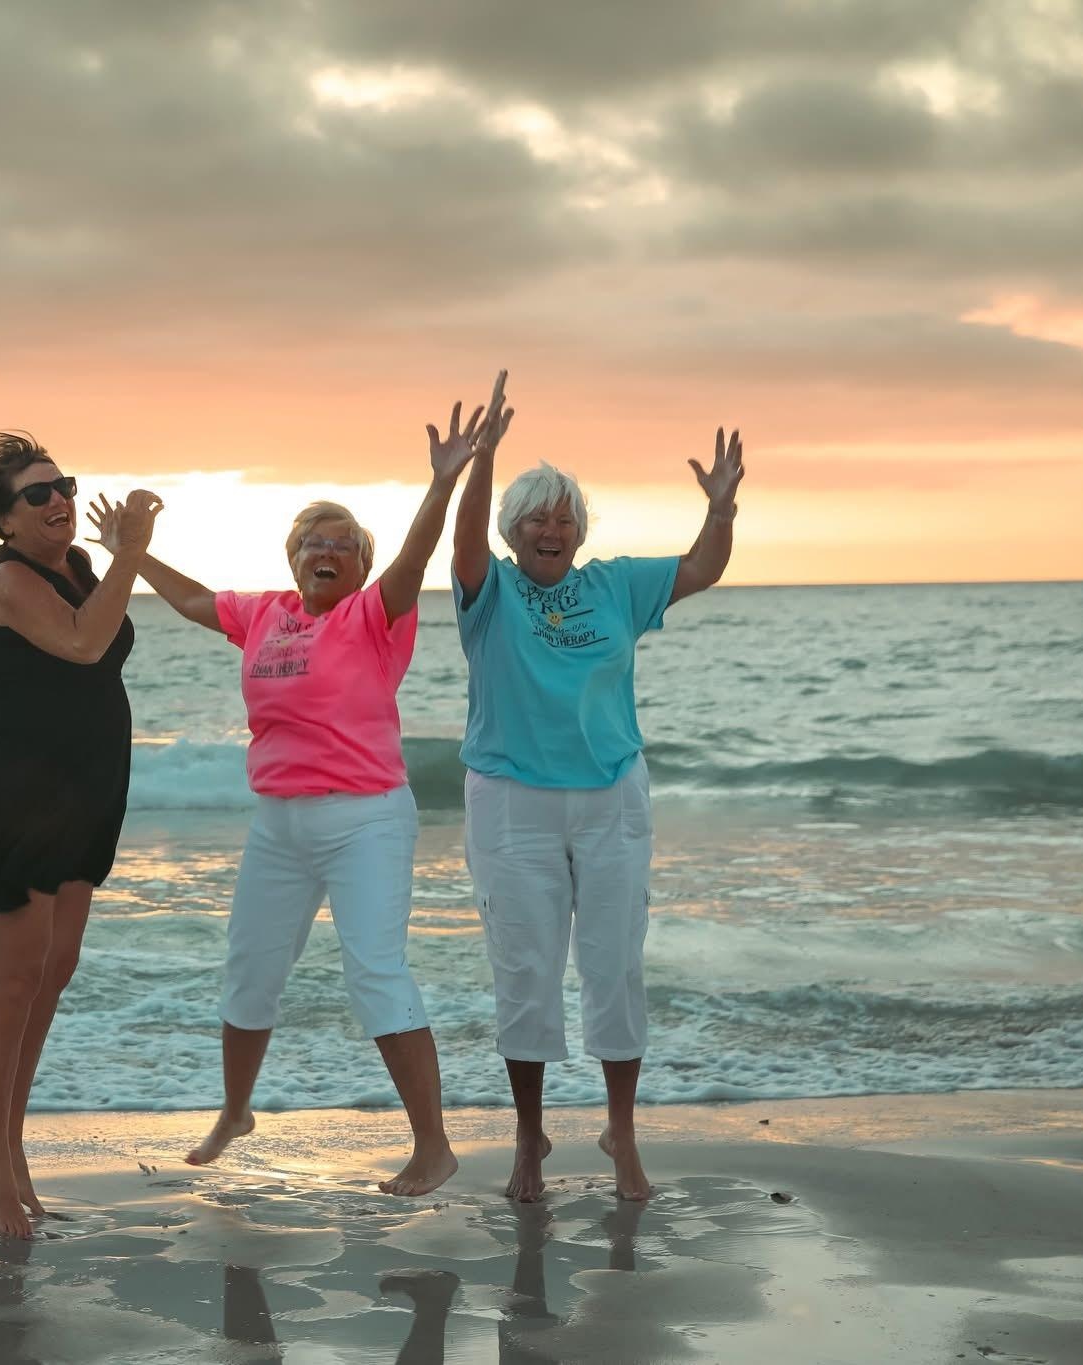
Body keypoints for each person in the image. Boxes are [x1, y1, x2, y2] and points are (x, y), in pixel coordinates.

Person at [107, 382, 515, 1197]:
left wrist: (440, 484)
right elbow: (191, 599)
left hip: (365, 819)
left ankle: (431, 1144)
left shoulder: (375, 615)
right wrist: (132, 549)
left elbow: (415, 560)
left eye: (342, 543)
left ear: (360, 562)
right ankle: (234, 1109)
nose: (325, 551)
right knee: (249, 969)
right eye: (310, 542)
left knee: (375, 971)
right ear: (291, 559)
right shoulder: (263, 614)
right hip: (279, 825)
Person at [449, 374, 745, 1203]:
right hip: (513, 800)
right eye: (536, 517)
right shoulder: (490, 590)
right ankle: (528, 1137)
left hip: (613, 794)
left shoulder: (615, 583)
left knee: (614, 965)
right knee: (526, 967)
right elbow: (465, 541)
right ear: (514, 532)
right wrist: (483, 462)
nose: (552, 527)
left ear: (579, 531)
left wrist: (720, 507)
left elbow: (701, 568)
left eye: (564, 516)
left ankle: (622, 1131)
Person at [0, 431, 161, 1239]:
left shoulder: (75, 565)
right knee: (14, 976)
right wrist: (131, 556)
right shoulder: (9, 580)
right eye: (36, 494)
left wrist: (115, 559)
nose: (57, 501)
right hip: (17, 795)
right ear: (1, 519)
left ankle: (4, 1138)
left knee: (54, 968)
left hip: (84, 790)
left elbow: (97, 628)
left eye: (62, 485)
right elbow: (83, 640)